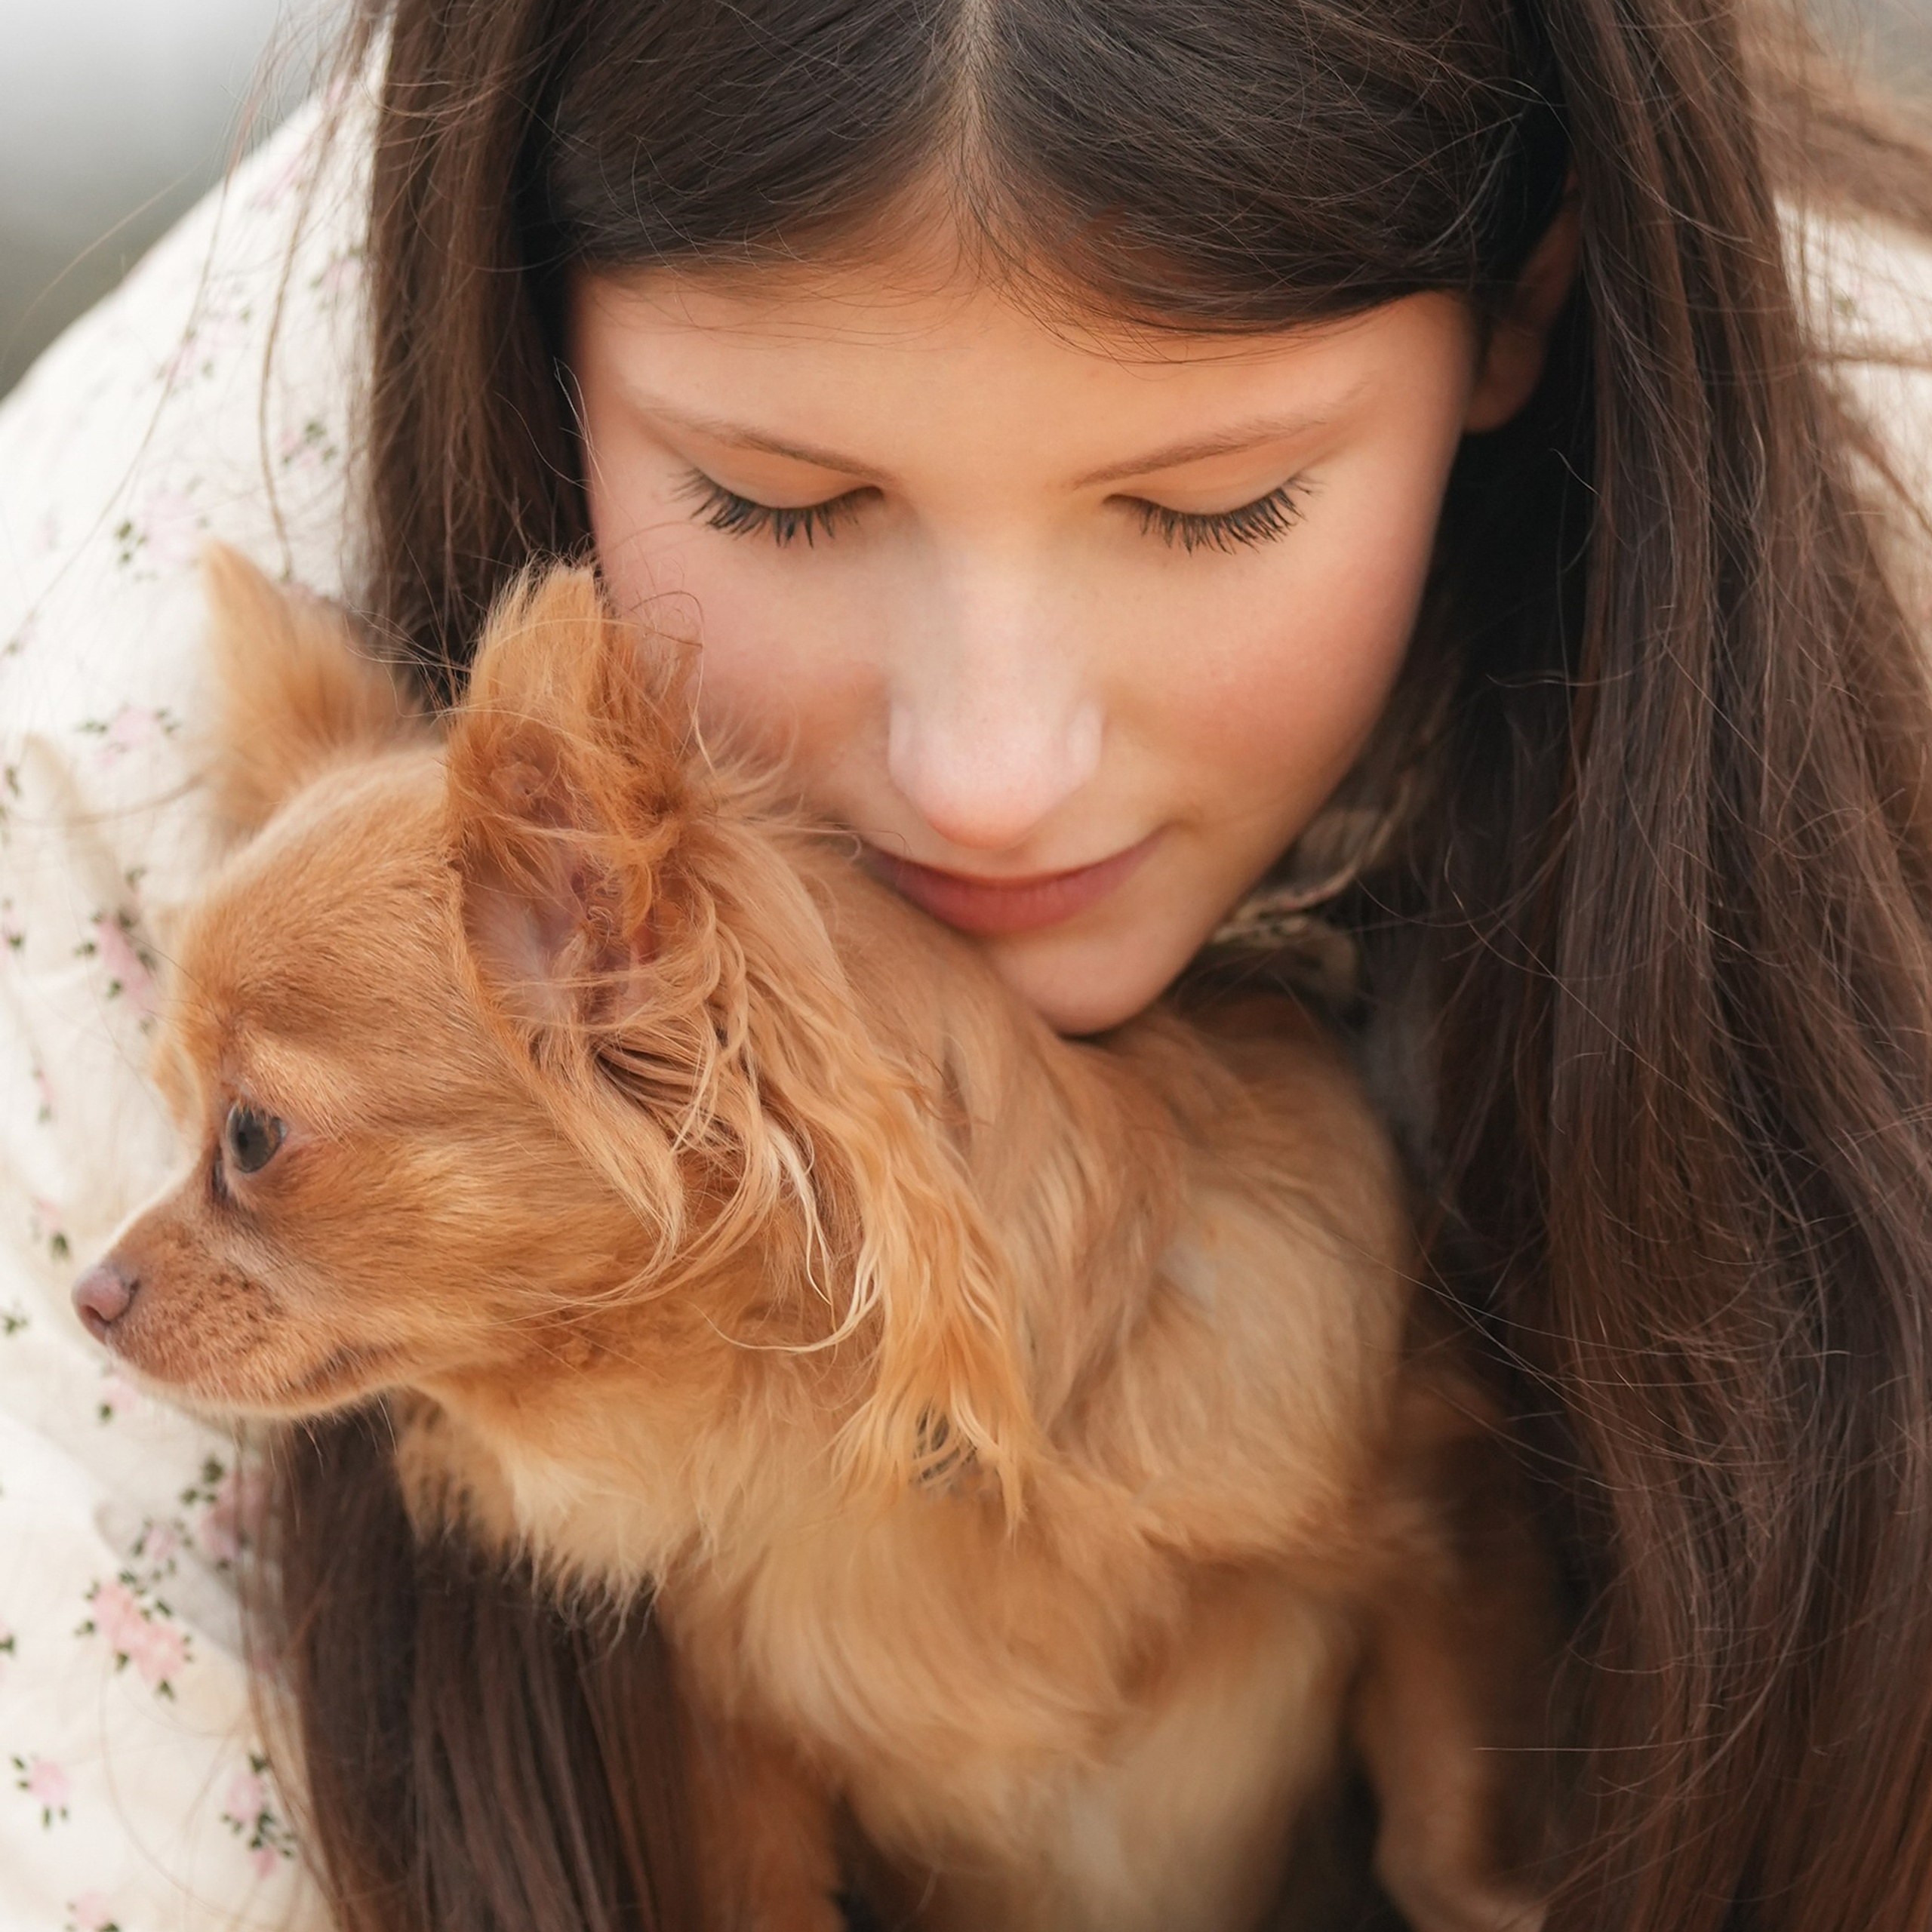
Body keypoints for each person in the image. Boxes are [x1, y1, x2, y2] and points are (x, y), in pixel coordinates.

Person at [2, 1, 1930, 1927]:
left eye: (1209, 502)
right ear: (540, 341)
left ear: (1522, 303)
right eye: (779, 499)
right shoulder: (95, 723)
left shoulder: (1880, 515)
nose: (990, 778)